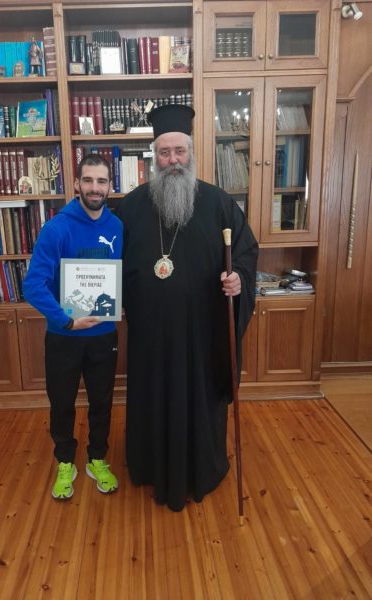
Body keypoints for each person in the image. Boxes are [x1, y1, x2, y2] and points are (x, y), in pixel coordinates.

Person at [116, 104, 258, 512]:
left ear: (190, 153)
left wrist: (238, 279)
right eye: (165, 153)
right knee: (153, 397)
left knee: (198, 398)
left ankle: (200, 466)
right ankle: (150, 464)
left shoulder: (218, 204)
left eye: (179, 151)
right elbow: (110, 260)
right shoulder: (131, 206)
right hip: (150, 336)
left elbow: (246, 253)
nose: (173, 160)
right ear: (154, 157)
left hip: (201, 334)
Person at [23, 154, 123, 500]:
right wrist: (65, 319)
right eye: (88, 180)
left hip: (103, 336)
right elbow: (33, 285)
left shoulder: (117, 227)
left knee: (102, 402)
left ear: (110, 186)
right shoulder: (56, 228)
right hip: (64, 336)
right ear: (77, 184)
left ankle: (97, 458)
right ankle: (65, 461)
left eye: (102, 181)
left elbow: (123, 274)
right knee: (62, 403)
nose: (95, 188)